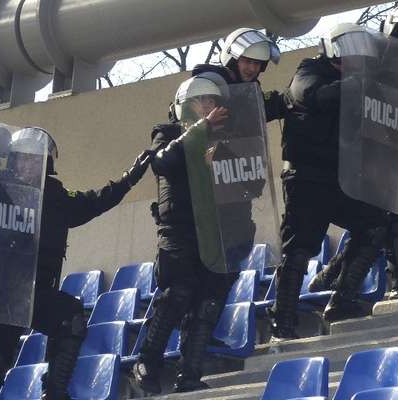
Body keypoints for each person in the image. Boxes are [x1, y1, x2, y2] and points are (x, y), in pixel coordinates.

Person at [0, 121, 151, 400]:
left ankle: (54, 393)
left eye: (39, 160)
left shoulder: (54, 195)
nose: (31, 166)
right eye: (25, 159)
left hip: (30, 290)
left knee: (70, 318)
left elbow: (90, 203)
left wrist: (129, 180)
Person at [133, 30, 282, 395]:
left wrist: (225, 154)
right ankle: (147, 361)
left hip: (223, 229)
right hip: (182, 231)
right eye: (200, 102)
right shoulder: (168, 132)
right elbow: (163, 163)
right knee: (179, 293)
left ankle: (190, 371)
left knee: (209, 300)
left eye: (211, 103)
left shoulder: (228, 140)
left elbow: (254, 184)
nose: (206, 109)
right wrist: (198, 133)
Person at [270, 24, 397, 340]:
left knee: (375, 224)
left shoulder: (360, 82)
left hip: (342, 176)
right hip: (307, 177)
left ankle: (343, 299)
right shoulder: (308, 71)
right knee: (299, 247)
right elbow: (314, 96)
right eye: (346, 49)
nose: (351, 56)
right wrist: (356, 84)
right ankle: (282, 323)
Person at [309, 1, 398, 300]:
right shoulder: (376, 59)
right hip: (378, 154)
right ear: (395, 29)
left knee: (389, 221)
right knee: (392, 219)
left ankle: (330, 276)